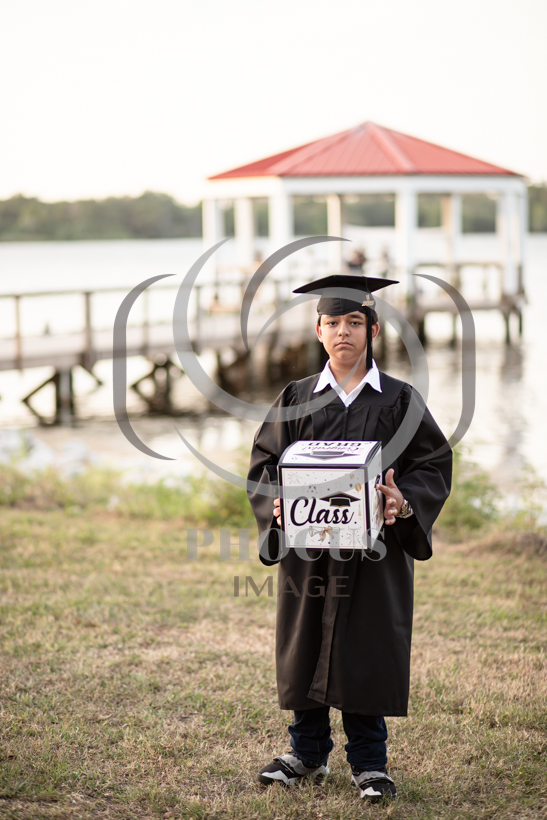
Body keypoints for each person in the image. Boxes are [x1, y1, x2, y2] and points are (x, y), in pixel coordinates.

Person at [246, 274, 452, 804]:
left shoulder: (400, 400)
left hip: (374, 552)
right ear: (318, 330)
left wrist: (403, 501)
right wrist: (274, 504)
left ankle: (369, 763)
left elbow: (432, 464)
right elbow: (265, 463)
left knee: (367, 644)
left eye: (354, 322)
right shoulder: (296, 398)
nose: (343, 332)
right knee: (306, 642)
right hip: (309, 549)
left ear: (373, 330)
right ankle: (306, 753)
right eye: (333, 322)